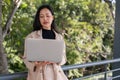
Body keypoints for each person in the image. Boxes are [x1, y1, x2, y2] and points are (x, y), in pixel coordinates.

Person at [23, 4, 68, 80]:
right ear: (39, 19)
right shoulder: (31, 37)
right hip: (38, 75)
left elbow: (64, 58)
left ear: (52, 17)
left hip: (56, 75)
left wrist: (57, 60)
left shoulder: (59, 37)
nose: (45, 19)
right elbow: (25, 58)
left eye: (47, 16)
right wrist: (36, 64)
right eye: (41, 16)